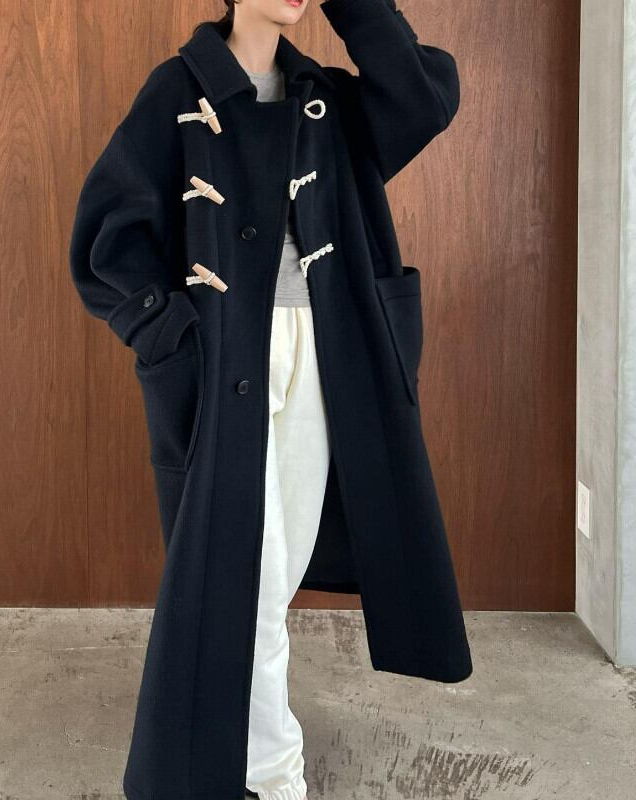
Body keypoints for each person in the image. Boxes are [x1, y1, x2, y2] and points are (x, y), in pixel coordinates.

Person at [69, 2, 469, 799]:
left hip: (325, 358)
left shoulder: (326, 99)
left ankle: (240, 751)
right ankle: (278, 772)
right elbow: (106, 237)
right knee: (246, 571)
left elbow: (423, 98)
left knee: (269, 579)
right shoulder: (177, 91)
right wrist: (171, 335)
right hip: (225, 363)